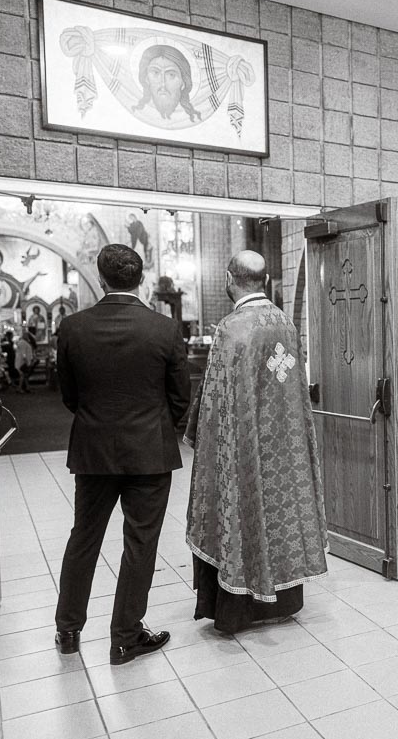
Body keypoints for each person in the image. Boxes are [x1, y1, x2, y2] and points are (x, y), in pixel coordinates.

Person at [53, 244, 191, 665]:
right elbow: (180, 398)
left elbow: (69, 395)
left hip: (94, 450)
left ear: (101, 278)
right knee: (141, 543)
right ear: (142, 277)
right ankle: (126, 637)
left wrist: (99, 420)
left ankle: (69, 628)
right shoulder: (164, 329)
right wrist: (154, 424)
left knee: (84, 537)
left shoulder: (73, 328)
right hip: (149, 450)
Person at [184, 251, 328, 632]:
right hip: (284, 447)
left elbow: (215, 398)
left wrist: (204, 439)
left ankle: (239, 610)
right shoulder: (284, 324)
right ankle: (282, 603)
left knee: (243, 511)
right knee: (278, 512)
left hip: (244, 447)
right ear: (263, 281)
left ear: (230, 279)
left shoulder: (232, 328)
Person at [134, 44, 202, 123]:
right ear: (147, 79)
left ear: (183, 82)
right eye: (155, 72)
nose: (163, 84)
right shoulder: (136, 116)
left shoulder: (189, 120)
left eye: (171, 75)